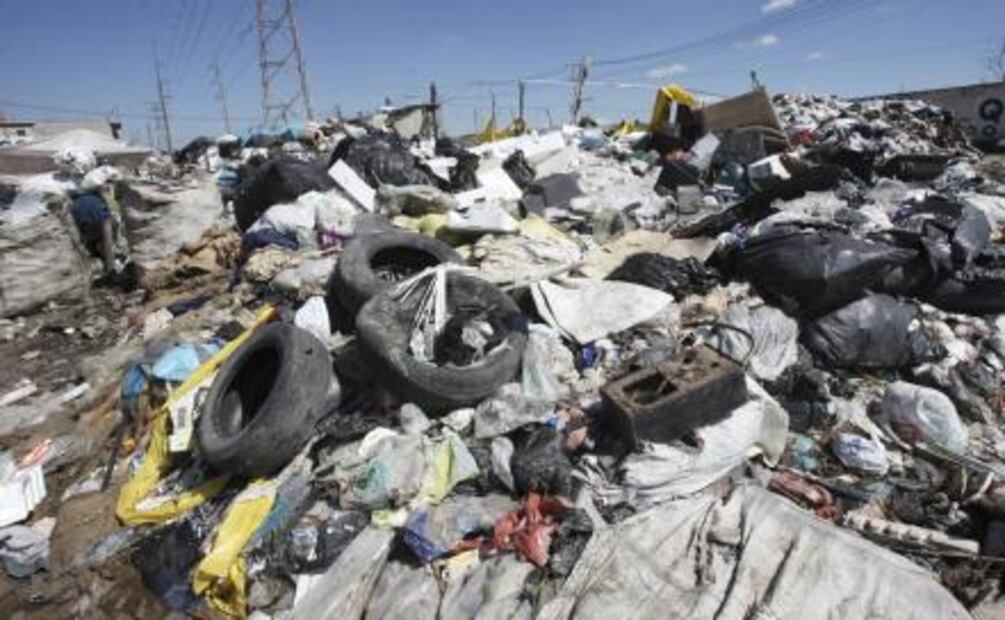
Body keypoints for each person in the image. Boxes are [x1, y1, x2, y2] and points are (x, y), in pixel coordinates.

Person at [70, 180, 119, 274]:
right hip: (105, 222)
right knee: (108, 246)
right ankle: (110, 267)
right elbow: (109, 211)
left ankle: (99, 264)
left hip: (87, 229)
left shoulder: (74, 204)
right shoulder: (97, 198)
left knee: (91, 247)